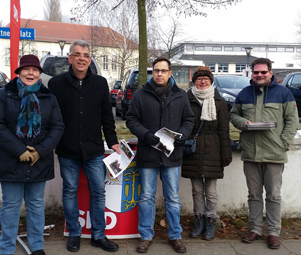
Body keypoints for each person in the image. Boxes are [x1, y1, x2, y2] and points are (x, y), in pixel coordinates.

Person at [0, 54, 65, 255]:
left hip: (38, 161)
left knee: (36, 205)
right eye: (26, 69)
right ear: (19, 72)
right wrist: (19, 150)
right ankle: (7, 248)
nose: (31, 73)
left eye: (35, 69)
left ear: (40, 73)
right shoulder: (4, 94)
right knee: (11, 206)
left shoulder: (49, 97)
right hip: (10, 159)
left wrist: (41, 151)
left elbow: (57, 126)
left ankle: (37, 246)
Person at [48, 40, 121, 253]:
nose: (82, 58)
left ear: (90, 59)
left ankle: (99, 235)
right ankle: (74, 233)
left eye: (86, 55)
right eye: (78, 54)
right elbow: (51, 117)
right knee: (69, 191)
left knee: (98, 192)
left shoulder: (100, 83)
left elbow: (107, 117)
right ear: (70, 58)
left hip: (94, 150)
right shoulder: (56, 84)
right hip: (67, 149)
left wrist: (113, 141)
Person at [125, 56, 194, 253]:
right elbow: (131, 119)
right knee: (146, 197)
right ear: (152, 72)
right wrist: (145, 135)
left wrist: (183, 134)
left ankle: (175, 235)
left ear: (170, 73)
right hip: (148, 154)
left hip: (172, 155)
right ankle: (146, 236)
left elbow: (189, 118)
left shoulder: (180, 95)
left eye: (163, 71)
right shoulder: (140, 94)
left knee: (172, 197)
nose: (160, 74)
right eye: (156, 70)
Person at [230, 58, 298, 249]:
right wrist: (245, 124)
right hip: (251, 152)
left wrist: (283, 143)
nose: (259, 75)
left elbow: (292, 121)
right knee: (254, 194)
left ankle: (273, 232)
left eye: (263, 72)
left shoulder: (284, 93)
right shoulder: (244, 93)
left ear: (270, 72)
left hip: (274, 153)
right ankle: (255, 229)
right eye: (256, 72)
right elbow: (233, 115)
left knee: (274, 195)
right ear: (251, 73)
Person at [182, 66, 232, 241]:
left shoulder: (219, 101)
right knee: (196, 190)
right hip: (192, 149)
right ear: (194, 81)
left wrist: (226, 153)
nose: (202, 81)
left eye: (206, 78)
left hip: (213, 149)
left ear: (211, 81)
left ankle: (211, 221)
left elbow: (224, 130)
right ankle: (199, 221)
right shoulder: (186, 99)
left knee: (210, 191)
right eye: (199, 78)